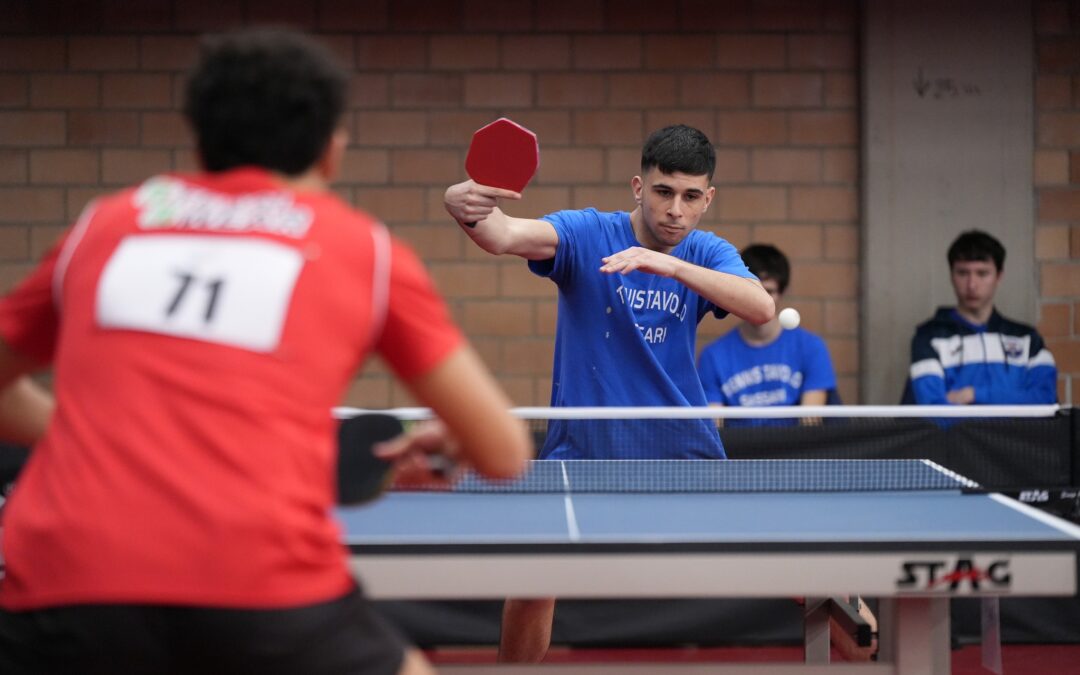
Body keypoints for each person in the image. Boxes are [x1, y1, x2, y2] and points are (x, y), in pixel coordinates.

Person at [0, 28, 531, 675]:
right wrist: (450, 442)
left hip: (62, 580)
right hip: (258, 580)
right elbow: (505, 451)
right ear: (332, 149)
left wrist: (94, 440)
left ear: (197, 140)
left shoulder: (101, 227)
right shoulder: (362, 251)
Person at [444, 124, 774, 662]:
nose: (676, 210)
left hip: (680, 451)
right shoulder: (586, 233)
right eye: (664, 192)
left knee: (801, 568)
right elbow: (503, 235)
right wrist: (465, 206)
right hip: (584, 452)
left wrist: (668, 263)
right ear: (639, 187)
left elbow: (759, 306)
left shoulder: (706, 252)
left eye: (691, 197)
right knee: (531, 586)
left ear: (707, 199)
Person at [908, 230, 1057, 405]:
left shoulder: (1028, 339)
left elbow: (1045, 401)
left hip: (1014, 434)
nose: (972, 285)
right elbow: (933, 411)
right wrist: (1013, 401)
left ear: (999, 276)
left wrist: (972, 395)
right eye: (963, 273)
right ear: (951, 275)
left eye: (982, 273)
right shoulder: (928, 337)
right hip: (955, 434)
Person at [697, 244, 837, 425]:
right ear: (738, 292)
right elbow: (715, 427)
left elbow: (810, 422)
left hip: (794, 450)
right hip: (741, 452)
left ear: (781, 293)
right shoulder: (712, 356)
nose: (760, 300)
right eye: (753, 291)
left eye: (769, 292)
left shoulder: (812, 347)